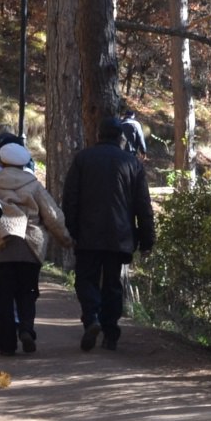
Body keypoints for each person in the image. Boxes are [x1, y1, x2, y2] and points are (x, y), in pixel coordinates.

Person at [62, 115, 155, 351]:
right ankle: (111, 333)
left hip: (87, 235)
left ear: (98, 135)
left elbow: (70, 198)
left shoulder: (83, 159)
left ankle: (91, 318)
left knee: (86, 279)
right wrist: (147, 239)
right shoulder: (133, 163)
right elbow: (143, 205)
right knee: (113, 283)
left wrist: (71, 230)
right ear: (121, 137)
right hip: (120, 235)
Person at [0, 142, 73, 355]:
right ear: (25, 163)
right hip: (29, 246)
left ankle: (6, 344)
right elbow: (53, 216)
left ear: (1, 162)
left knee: (2, 295)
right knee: (27, 292)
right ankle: (25, 328)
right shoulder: (34, 185)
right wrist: (66, 239)